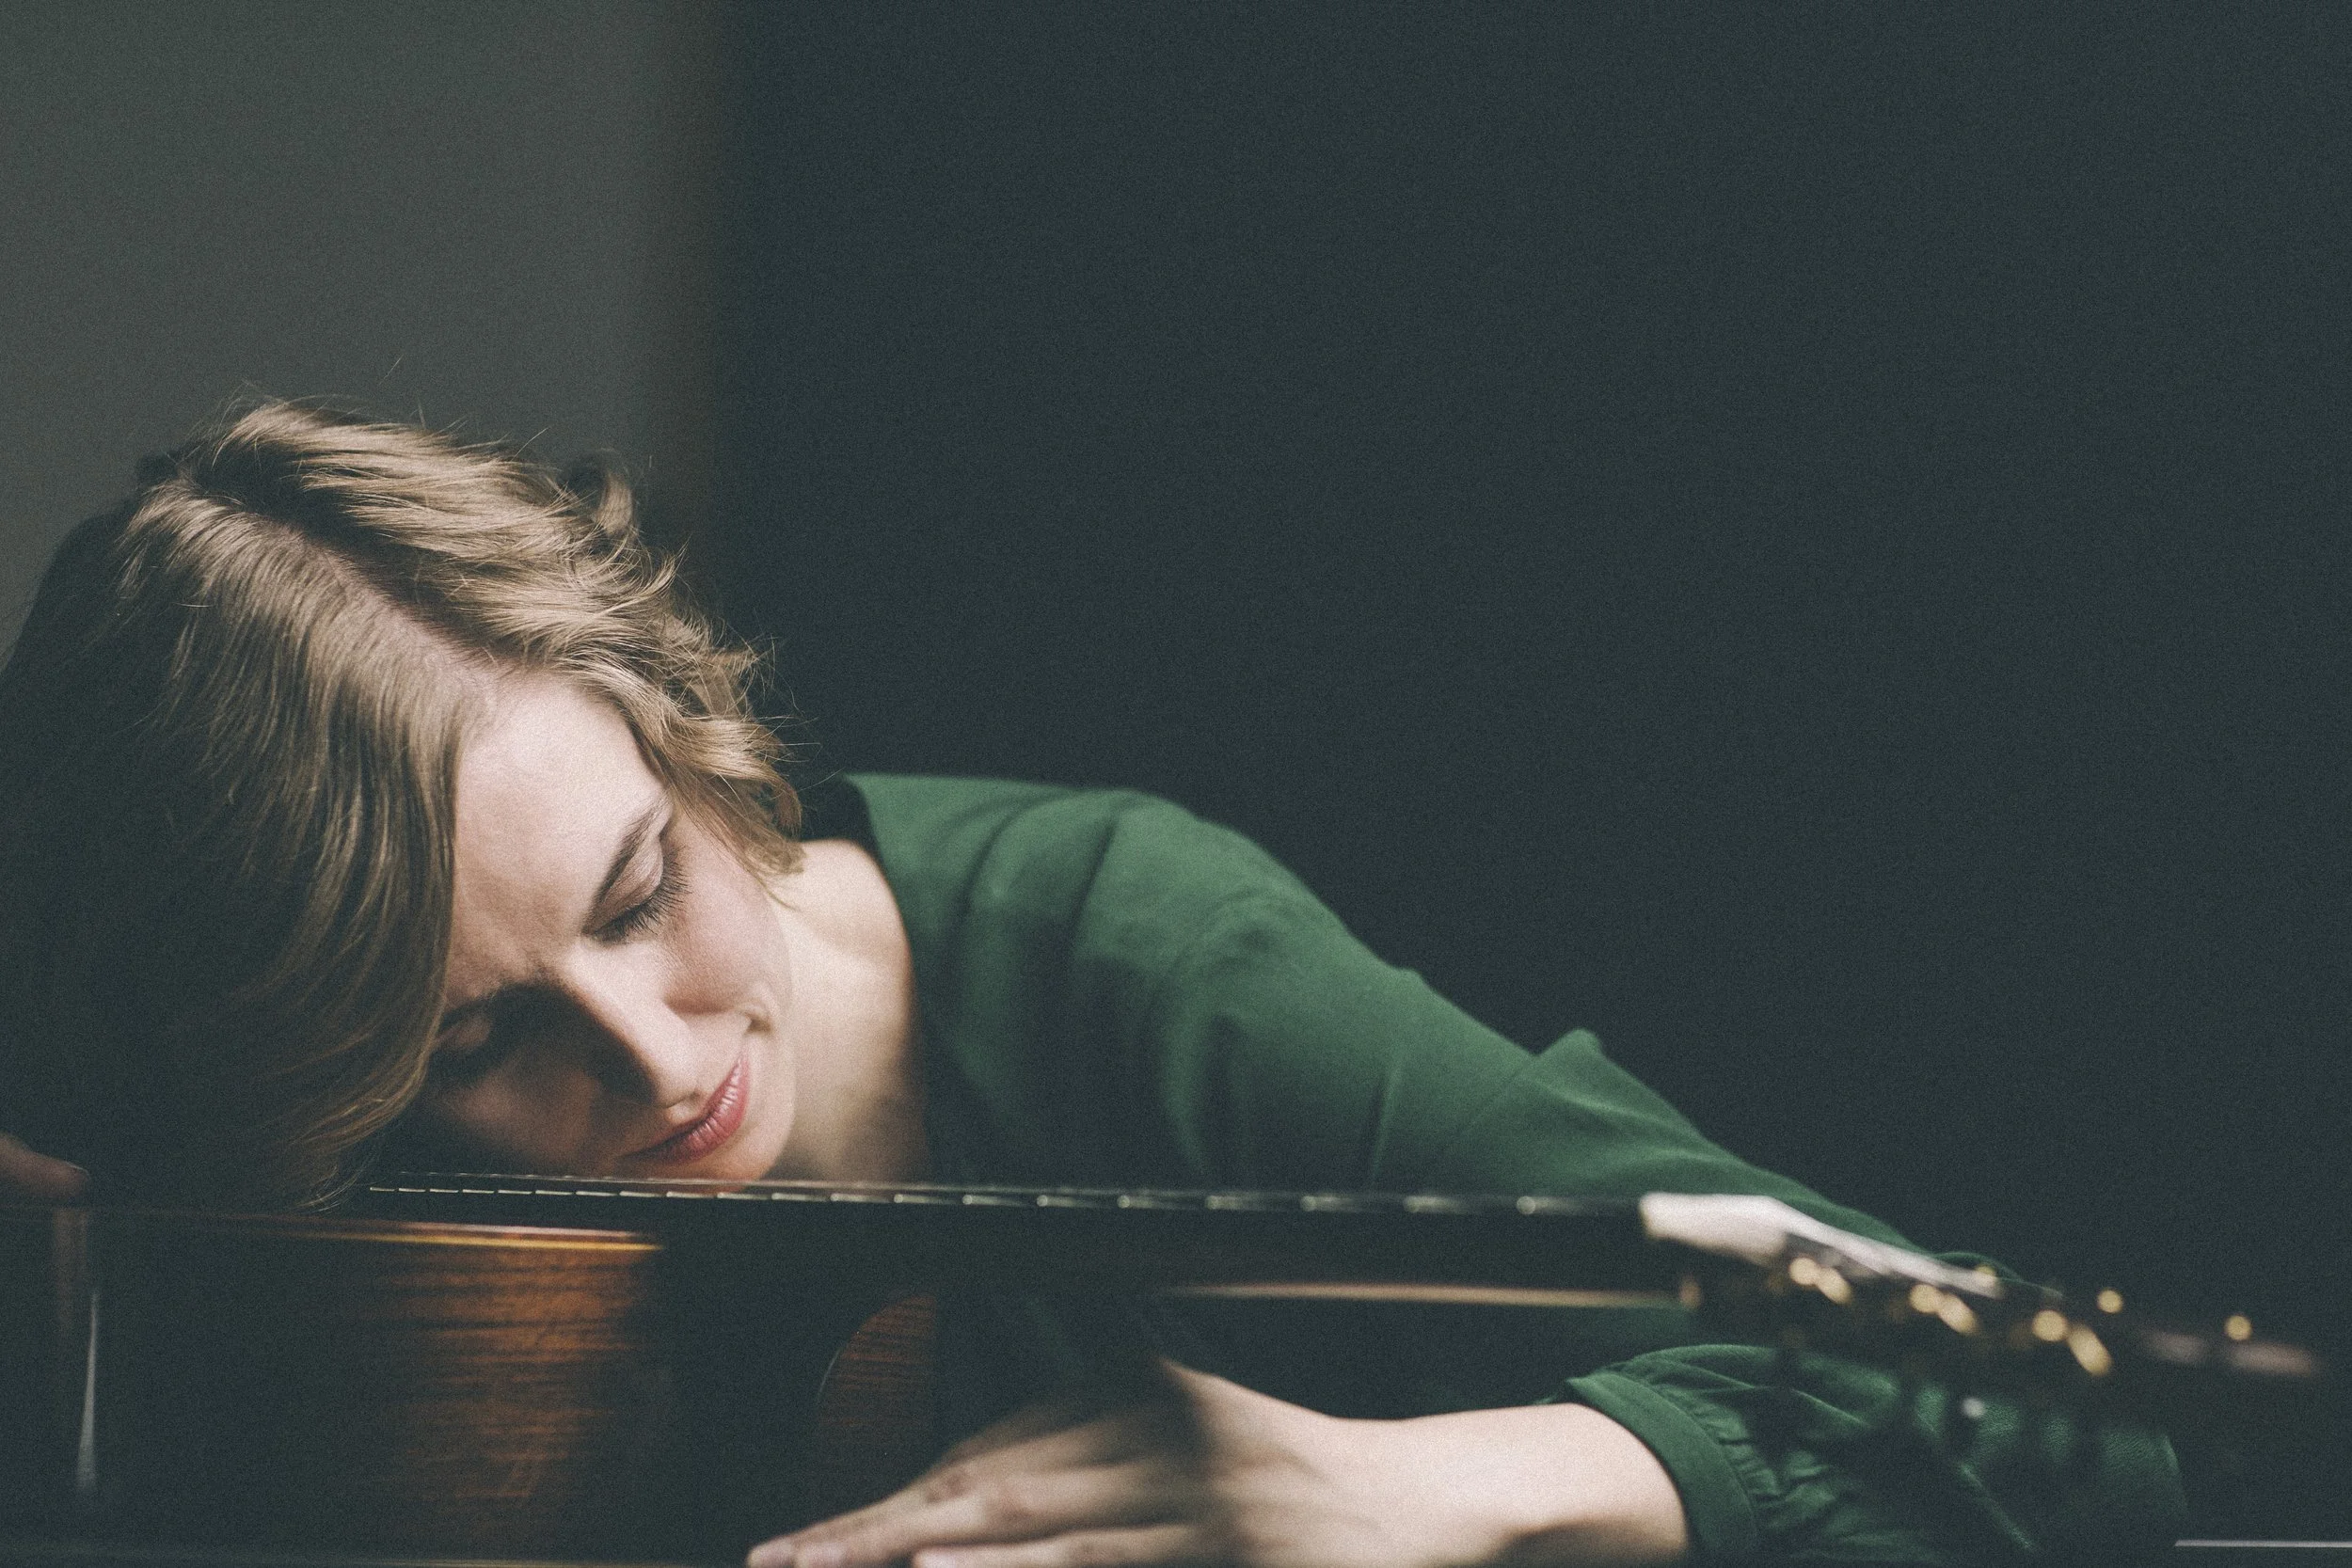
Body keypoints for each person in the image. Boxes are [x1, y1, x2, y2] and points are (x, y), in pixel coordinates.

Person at [0, 403, 2179, 1566]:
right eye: (476, 1040)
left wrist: (1446, 1484)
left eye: (642, 888)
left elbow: (2057, 1407)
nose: (656, 1055)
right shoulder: (235, 1121)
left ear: (674, 718)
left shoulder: (1141, 955)